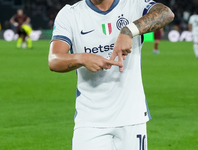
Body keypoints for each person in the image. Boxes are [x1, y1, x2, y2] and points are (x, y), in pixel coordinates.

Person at [48, 0, 174, 150]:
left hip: (132, 117)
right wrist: (81, 58)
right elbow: (54, 60)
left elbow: (166, 13)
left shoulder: (133, 5)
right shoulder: (70, 14)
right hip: (90, 121)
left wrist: (129, 31)